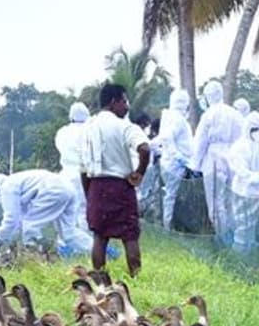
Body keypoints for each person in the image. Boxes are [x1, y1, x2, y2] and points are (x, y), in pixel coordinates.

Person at [83, 83, 151, 276]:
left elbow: (82, 168)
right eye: (124, 101)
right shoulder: (124, 126)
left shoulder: (88, 128)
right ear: (114, 102)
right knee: (130, 236)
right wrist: (139, 172)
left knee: (99, 236)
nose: (127, 106)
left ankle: (99, 281)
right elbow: (145, 148)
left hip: (95, 186)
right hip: (120, 186)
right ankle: (136, 278)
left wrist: (89, 194)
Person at [191, 80, 242, 239]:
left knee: (215, 202)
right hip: (232, 159)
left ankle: (223, 237)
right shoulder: (235, 114)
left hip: (213, 160)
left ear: (208, 96)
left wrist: (195, 165)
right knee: (230, 201)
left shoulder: (209, 115)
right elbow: (241, 140)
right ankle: (234, 236)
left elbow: (200, 141)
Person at [0, 170, 78, 252]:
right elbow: (18, 220)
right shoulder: (15, 182)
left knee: (30, 227)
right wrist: (8, 237)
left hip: (53, 190)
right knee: (69, 232)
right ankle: (88, 251)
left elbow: (12, 218)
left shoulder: (7, 188)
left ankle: (32, 256)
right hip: (68, 187)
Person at [226, 111, 259, 253]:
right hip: (245, 189)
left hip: (254, 191)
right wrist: (257, 178)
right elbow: (240, 169)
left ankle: (247, 252)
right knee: (243, 223)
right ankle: (240, 253)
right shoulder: (242, 146)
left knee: (251, 224)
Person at [52, 102, 96, 256]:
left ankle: (63, 246)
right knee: (83, 212)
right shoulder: (90, 131)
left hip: (64, 176)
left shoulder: (62, 132)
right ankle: (88, 247)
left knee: (64, 214)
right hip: (83, 174)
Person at [154, 89, 193, 230]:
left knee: (170, 197)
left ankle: (168, 225)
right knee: (171, 197)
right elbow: (167, 138)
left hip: (170, 163)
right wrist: (179, 157)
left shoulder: (169, 117)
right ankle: (168, 227)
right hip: (176, 165)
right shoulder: (178, 119)